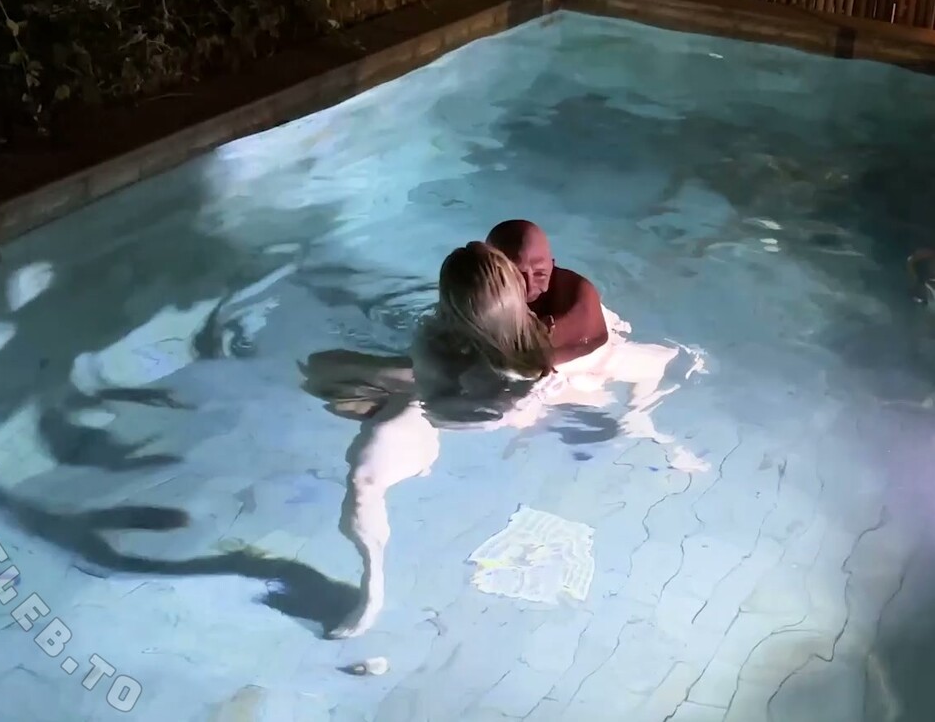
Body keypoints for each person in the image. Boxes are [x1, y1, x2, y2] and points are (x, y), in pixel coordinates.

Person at [300, 241, 699, 639]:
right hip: (441, 406)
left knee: (338, 396)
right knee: (363, 478)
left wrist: (639, 418)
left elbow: (657, 361)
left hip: (523, 405)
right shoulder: (436, 343)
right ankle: (373, 586)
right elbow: (437, 403)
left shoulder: (557, 354)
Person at [485, 219, 609, 367]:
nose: (529, 287)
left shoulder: (577, 292)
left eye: (540, 274)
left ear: (552, 265)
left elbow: (586, 335)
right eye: (516, 277)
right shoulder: (477, 290)